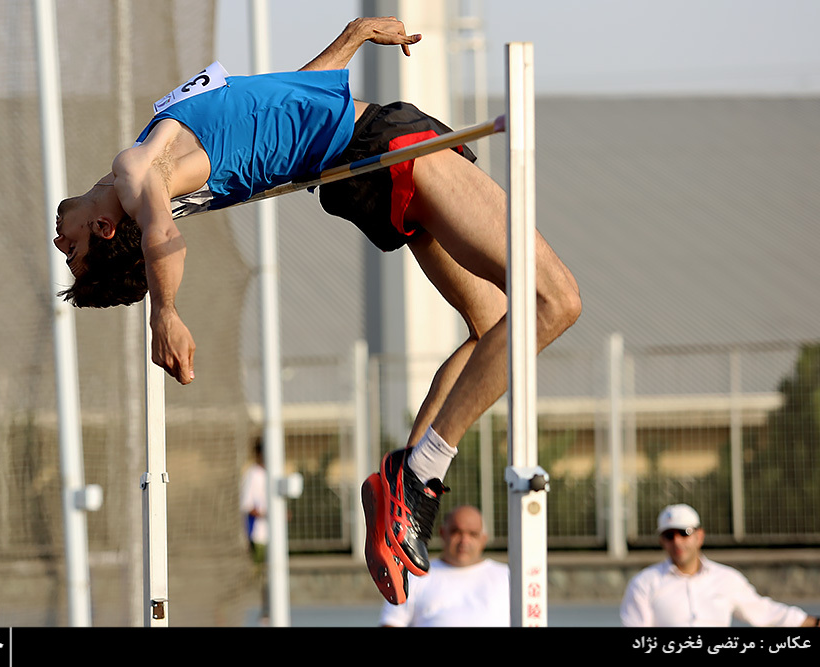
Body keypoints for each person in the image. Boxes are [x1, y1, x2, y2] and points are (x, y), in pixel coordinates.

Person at [52, 17, 581, 604]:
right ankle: (420, 476)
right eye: (73, 252)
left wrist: (352, 38)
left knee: (492, 328)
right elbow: (159, 234)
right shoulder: (139, 171)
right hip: (385, 145)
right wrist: (165, 313)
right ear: (104, 228)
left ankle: (406, 482)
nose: (58, 242)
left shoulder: (168, 153)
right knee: (553, 301)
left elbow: (285, 103)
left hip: (361, 158)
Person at [620, 504, 820, 628]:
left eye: (684, 533)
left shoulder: (726, 579)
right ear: (661, 541)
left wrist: (814, 623)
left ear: (699, 536)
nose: (677, 542)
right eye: (669, 535)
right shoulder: (644, 584)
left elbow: (764, 612)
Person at [379, 505, 509, 627]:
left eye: (473, 534)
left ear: (484, 539)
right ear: (442, 533)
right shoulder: (415, 576)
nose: (464, 540)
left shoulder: (507, 577)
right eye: (456, 532)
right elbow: (392, 621)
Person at [239, 439, 269, 624]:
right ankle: (265, 610)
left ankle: (269, 609)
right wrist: (266, 513)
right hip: (258, 535)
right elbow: (247, 505)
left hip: (273, 535)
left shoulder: (271, 472)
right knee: (261, 575)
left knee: (271, 573)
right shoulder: (252, 475)